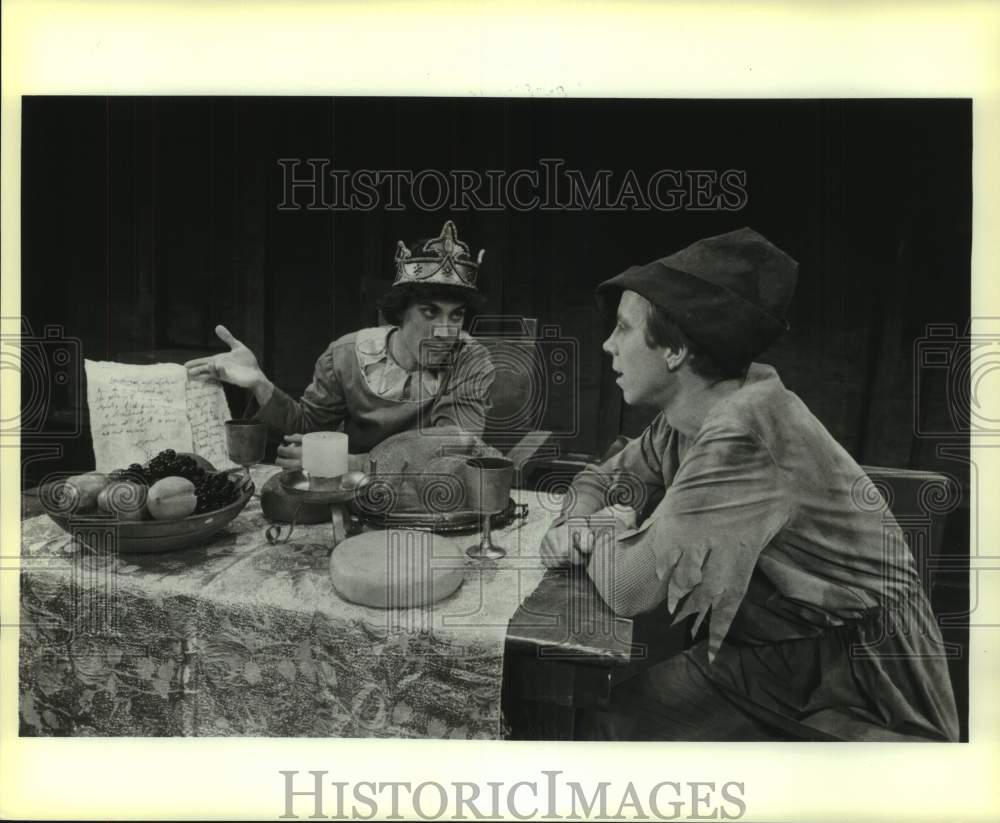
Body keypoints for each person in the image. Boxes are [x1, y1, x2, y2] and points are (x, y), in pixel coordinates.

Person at [539, 227, 959, 742]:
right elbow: (606, 478)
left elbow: (629, 588)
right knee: (606, 727)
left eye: (624, 328)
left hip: (859, 684)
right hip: (770, 654)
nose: (608, 344)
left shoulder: (745, 428)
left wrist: (603, 527)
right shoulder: (686, 415)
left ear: (674, 351)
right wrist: (585, 518)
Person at [185, 220, 495, 468]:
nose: (445, 331)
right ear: (401, 312)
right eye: (430, 312)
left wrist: (353, 463)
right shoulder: (346, 356)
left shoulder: (471, 359)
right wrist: (260, 384)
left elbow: (455, 444)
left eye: (456, 316)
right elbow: (306, 428)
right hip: (356, 500)